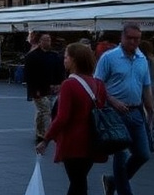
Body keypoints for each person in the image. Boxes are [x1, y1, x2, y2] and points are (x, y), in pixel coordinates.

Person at [35, 43, 109, 195]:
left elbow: (62, 117)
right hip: (93, 140)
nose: (64, 60)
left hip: (73, 141)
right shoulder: (99, 84)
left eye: (66, 56)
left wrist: (46, 139)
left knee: (77, 182)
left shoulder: (69, 84)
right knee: (79, 180)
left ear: (74, 60)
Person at [95, 23, 154, 195]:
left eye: (137, 38)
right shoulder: (109, 57)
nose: (133, 42)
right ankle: (124, 191)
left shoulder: (142, 59)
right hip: (114, 113)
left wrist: (151, 110)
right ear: (122, 37)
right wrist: (112, 100)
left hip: (135, 111)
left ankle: (112, 181)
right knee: (121, 156)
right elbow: (98, 84)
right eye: (129, 38)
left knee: (143, 154)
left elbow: (146, 87)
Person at [24, 32, 64, 143]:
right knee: (45, 110)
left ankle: (40, 131)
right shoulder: (32, 56)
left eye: (48, 40)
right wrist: (33, 90)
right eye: (44, 40)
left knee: (44, 111)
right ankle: (42, 133)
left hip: (51, 89)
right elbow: (28, 75)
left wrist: (59, 84)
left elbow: (60, 71)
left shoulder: (54, 56)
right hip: (38, 89)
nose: (47, 42)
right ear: (40, 41)